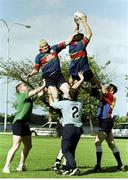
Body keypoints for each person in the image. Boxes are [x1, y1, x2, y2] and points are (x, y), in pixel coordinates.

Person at [2, 82, 45, 173]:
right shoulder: (21, 96)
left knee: (28, 146)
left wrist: (45, 83)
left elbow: (40, 93)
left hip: (25, 124)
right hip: (18, 123)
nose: (26, 86)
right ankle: (6, 167)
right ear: (20, 89)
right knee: (16, 145)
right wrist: (43, 85)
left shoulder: (28, 98)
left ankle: (21, 166)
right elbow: (34, 92)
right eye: (24, 85)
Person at [49, 73, 84, 176]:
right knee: (71, 149)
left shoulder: (64, 103)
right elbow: (74, 91)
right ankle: (68, 168)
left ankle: (74, 167)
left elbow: (52, 104)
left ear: (68, 95)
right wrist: (81, 80)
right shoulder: (80, 103)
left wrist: (50, 95)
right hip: (79, 129)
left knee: (65, 149)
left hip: (69, 128)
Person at [27, 36, 74, 102]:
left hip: (58, 75)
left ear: (48, 45)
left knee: (68, 91)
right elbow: (36, 69)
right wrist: (31, 74)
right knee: (55, 94)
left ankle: (67, 106)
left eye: (46, 45)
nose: (45, 47)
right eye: (43, 46)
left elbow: (66, 42)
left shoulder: (54, 48)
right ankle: (57, 108)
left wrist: (74, 34)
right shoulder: (38, 56)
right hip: (48, 76)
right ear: (40, 48)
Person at [68, 12, 101, 97]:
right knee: (94, 81)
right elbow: (89, 33)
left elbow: (75, 34)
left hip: (73, 72)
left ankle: (71, 96)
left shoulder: (71, 45)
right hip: (84, 71)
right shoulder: (81, 44)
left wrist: (77, 25)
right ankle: (94, 91)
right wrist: (84, 21)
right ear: (81, 39)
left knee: (74, 87)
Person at [94, 83, 125, 172]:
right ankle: (120, 164)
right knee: (111, 144)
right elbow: (99, 93)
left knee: (97, 142)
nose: (107, 88)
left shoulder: (110, 95)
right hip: (106, 121)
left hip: (105, 121)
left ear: (112, 90)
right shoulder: (105, 97)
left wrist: (99, 82)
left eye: (109, 87)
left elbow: (103, 90)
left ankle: (98, 166)